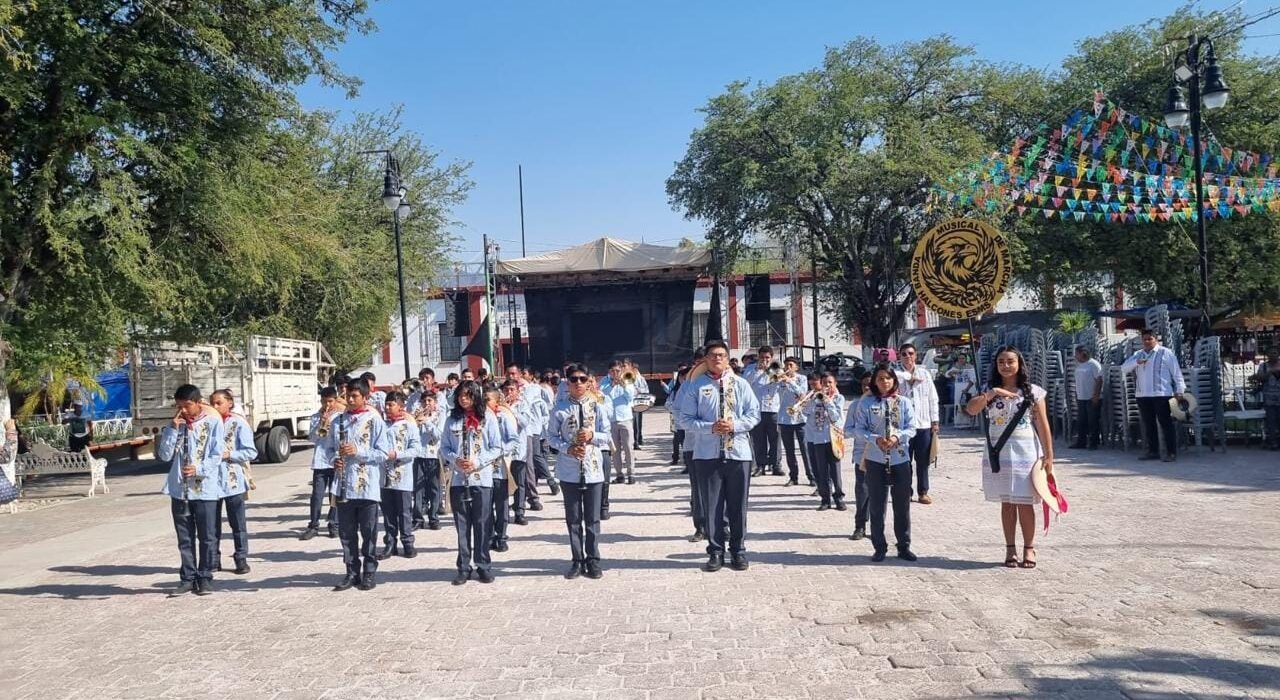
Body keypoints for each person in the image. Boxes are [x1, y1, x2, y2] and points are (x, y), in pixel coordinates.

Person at [965, 346, 1055, 569]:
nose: (1006, 366)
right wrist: (993, 393)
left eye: (1010, 361)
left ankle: (1029, 548)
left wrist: (1049, 455)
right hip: (999, 452)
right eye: (1001, 362)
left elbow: (1043, 425)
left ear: (1019, 364)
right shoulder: (988, 389)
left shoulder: (1033, 391)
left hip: (1025, 451)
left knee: (1025, 502)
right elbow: (971, 409)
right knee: (1007, 503)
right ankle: (1010, 548)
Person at [679, 340, 761, 573]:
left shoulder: (741, 384)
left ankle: (738, 550)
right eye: (713, 355)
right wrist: (710, 427)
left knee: (738, 506)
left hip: (738, 454)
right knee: (712, 506)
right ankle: (715, 551)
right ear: (705, 359)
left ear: (727, 358)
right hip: (707, 455)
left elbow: (754, 415)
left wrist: (734, 425)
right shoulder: (695, 386)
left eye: (722, 355)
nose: (718, 359)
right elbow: (685, 419)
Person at [156, 384, 226, 597]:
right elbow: (165, 455)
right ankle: (187, 577)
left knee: (207, 536)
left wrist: (199, 468)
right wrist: (171, 430)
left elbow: (216, 454)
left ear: (198, 403)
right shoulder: (175, 426)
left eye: (187, 406)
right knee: (184, 538)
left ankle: (205, 577)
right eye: (179, 406)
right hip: (180, 490)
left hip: (204, 489)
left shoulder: (213, 423)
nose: (184, 411)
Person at [548, 363, 612, 579]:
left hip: (593, 468)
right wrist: (568, 448)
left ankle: (593, 559)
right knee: (573, 519)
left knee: (592, 519)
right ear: (567, 382)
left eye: (582, 379)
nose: (578, 383)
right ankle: (577, 559)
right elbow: (550, 437)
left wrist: (593, 436)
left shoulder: (598, 405)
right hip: (569, 470)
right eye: (573, 379)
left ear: (589, 381)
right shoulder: (560, 408)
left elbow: (607, 435)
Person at [851, 364, 918, 561]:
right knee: (877, 505)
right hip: (875, 458)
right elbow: (858, 429)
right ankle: (879, 546)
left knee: (902, 504)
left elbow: (911, 427)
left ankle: (904, 545)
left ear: (894, 381)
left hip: (900, 458)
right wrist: (875, 438)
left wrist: (898, 437)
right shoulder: (866, 403)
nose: (885, 382)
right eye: (880, 379)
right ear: (874, 382)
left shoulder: (904, 402)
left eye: (888, 378)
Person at [439, 380, 503, 585]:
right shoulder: (452, 419)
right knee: (462, 525)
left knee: (483, 523)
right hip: (459, 479)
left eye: (467, 395)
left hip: (481, 478)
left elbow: (496, 447)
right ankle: (463, 566)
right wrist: (454, 460)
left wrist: (478, 461)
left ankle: (483, 564)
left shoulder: (488, 418)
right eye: (460, 396)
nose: (463, 399)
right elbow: (444, 447)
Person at [330, 377, 391, 592]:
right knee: (346, 533)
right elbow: (329, 450)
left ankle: (369, 571)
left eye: (355, 396)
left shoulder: (375, 421)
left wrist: (358, 452)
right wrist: (333, 460)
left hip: (367, 485)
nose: (350, 399)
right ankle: (351, 571)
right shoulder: (337, 421)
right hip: (344, 484)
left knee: (368, 532)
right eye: (348, 395)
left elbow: (383, 453)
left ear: (365, 397)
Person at [210, 389, 257, 575]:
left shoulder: (238, 423)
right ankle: (213, 559)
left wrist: (231, 454)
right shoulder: (208, 423)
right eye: (212, 403)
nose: (215, 407)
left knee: (237, 523)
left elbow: (251, 451)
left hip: (232, 480)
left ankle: (241, 558)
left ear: (229, 403)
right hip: (211, 482)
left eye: (218, 403)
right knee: (211, 525)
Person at [1122, 329, 1186, 462]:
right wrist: (1136, 362)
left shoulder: (1165, 353)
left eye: (1149, 339)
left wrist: (1180, 391)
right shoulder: (1138, 354)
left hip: (1161, 394)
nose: (1147, 342)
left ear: (1155, 339)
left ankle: (1171, 452)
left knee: (1165, 423)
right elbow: (1124, 368)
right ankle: (1153, 451)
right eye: (1144, 339)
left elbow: (1176, 373)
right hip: (1143, 394)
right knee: (1148, 424)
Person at [378, 391, 423, 560]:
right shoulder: (381, 425)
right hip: (384, 476)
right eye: (386, 405)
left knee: (404, 511)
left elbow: (416, 449)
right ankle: (390, 542)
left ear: (401, 406)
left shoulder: (409, 425)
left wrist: (397, 454)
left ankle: (408, 542)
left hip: (402, 474)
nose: (388, 408)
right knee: (388, 512)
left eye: (391, 405)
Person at [895, 343, 940, 504]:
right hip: (903, 425)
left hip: (923, 424)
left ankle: (923, 491)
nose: (908, 357)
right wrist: (909, 378)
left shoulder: (924, 373)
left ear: (916, 355)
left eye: (911, 353)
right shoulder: (896, 374)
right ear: (899, 356)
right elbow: (894, 381)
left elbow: (932, 398)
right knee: (904, 461)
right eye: (904, 354)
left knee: (923, 461)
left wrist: (935, 420)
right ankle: (906, 491)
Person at [803, 372, 847, 511]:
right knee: (822, 471)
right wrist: (811, 400)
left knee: (835, 470)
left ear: (835, 384)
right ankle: (825, 499)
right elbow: (805, 412)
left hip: (834, 438)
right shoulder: (816, 398)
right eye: (824, 383)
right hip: (818, 438)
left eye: (830, 383)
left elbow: (835, 418)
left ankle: (839, 498)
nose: (827, 385)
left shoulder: (839, 398)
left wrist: (828, 401)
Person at [301, 387, 341, 540]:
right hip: (320, 461)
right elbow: (312, 438)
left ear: (335, 400)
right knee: (316, 495)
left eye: (330, 401)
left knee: (334, 495)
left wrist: (331, 426)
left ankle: (334, 525)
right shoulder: (315, 417)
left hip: (335, 460)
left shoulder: (340, 417)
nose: (327, 405)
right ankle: (313, 525)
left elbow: (342, 438)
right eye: (324, 402)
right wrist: (321, 425)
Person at [487, 386, 523, 552]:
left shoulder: (504, 417)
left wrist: (500, 450)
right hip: (483, 468)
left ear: (496, 402)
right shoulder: (479, 418)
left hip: (500, 465)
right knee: (484, 505)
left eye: (488, 400)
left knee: (501, 504)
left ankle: (501, 536)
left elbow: (513, 440)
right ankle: (487, 535)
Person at [743, 345, 782, 477]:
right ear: (758, 357)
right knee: (758, 439)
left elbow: (780, 383)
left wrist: (769, 371)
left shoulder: (777, 369)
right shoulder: (750, 369)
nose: (764, 360)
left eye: (767, 358)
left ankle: (776, 465)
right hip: (757, 409)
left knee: (775, 439)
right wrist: (757, 370)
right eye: (762, 357)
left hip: (773, 409)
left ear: (772, 358)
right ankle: (760, 466)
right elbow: (745, 384)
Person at [844, 373, 874, 541]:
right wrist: (863, 434)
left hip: (882, 454)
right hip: (862, 455)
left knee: (879, 494)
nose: (867, 388)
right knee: (862, 490)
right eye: (864, 385)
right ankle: (860, 526)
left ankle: (877, 527)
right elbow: (847, 430)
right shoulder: (855, 405)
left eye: (870, 384)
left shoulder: (885, 403)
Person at [501, 379, 533, 527]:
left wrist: (511, 410)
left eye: (512, 390)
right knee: (504, 482)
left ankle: (520, 511)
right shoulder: (498, 407)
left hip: (518, 449)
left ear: (517, 391)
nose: (509, 392)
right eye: (506, 390)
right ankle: (504, 513)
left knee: (520, 482)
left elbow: (525, 422)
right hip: (503, 451)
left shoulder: (522, 404)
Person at [600, 360, 638, 484]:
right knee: (615, 449)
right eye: (612, 371)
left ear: (621, 370)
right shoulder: (604, 382)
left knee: (628, 447)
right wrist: (612, 385)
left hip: (625, 418)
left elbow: (630, 397)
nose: (615, 373)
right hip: (611, 420)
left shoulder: (627, 379)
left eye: (617, 370)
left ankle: (631, 473)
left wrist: (623, 385)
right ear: (608, 372)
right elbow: (602, 396)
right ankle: (619, 474)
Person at [414, 390, 448, 529]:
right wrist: (415, 422)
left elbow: (439, 435)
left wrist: (427, 422)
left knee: (434, 488)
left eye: (429, 401)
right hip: (419, 455)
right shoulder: (417, 416)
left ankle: (433, 518)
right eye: (424, 401)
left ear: (435, 403)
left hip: (434, 455)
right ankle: (417, 519)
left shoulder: (441, 416)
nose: (426, 404)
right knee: (418, 488)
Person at [777, 356, 812, 487]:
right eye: (786, 365)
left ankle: (811, 476)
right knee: (789, 450)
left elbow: (802, 393)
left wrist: (790, 381)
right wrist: (781, 380)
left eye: (791, 365)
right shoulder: (780, 380)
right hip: (784, 418)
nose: (788, 368)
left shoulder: (802, 379)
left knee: (805, 449)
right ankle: (793, 476)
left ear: (796, 367)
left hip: (800, 418)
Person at [1071, 346, 1103, 450]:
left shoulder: (1093, 364)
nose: (1075, 356)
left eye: (1077, 353)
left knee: (1092, 421)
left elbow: (1099, 380)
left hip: (1091, 397)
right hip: (1081, 397)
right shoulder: (1079, 365)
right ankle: (1081, 442)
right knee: (1081, 421)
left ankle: (1093, 443)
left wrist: (1096, 395)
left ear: (1082, 353)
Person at [944, 355, 977, 429]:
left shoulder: (970, 367)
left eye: (963, 358)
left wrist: (967, 389)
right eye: (959, 358)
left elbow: (974, 378)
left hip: (969, 389)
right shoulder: (955, 367)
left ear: (966, 359)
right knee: (959, 406)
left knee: (970, 405)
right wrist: (952, 373)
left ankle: (971, 424)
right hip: (958, 389)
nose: (961, 360)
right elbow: (946, 374)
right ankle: (960, 424)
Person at [1255, 356, 1280, 450]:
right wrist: (1270, 372)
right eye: (1271, 351)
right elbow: (1260, 378)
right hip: (1269, 397)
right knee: (1271, 420)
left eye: (1275, 351)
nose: (1273, 353)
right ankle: (1273, 443)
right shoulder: (1263, 366)